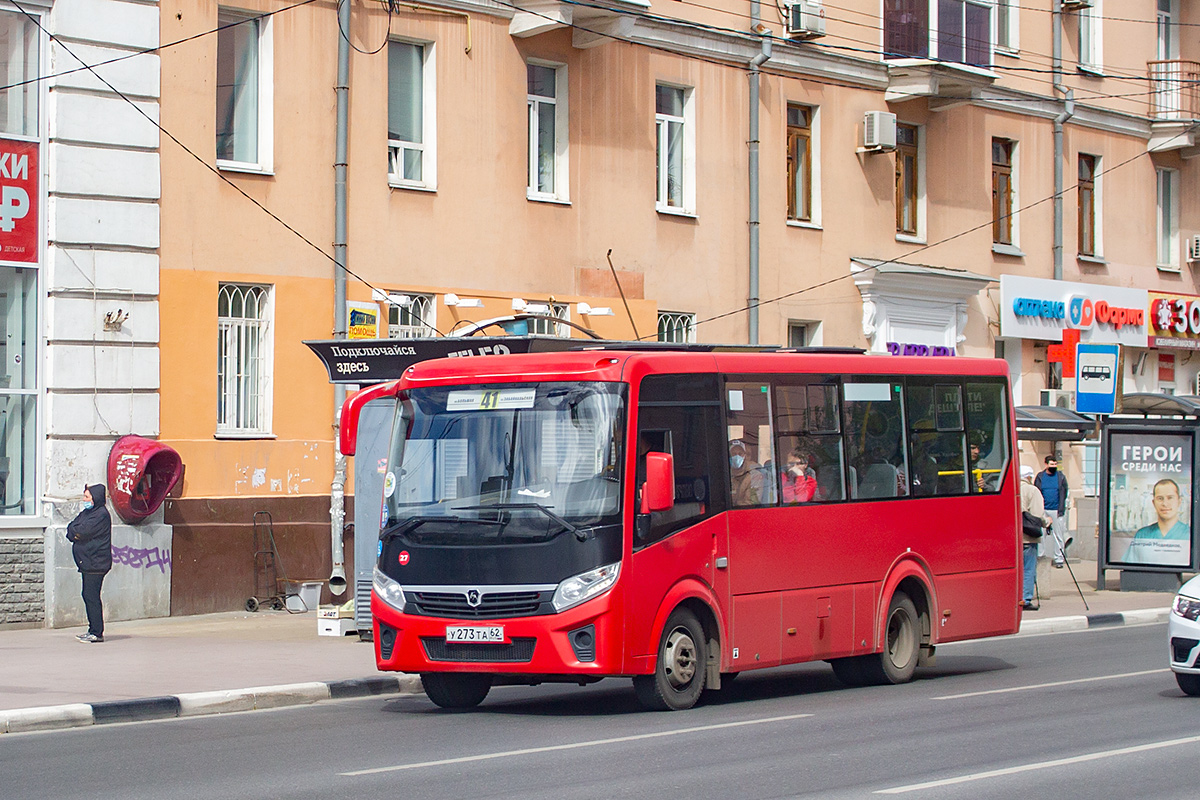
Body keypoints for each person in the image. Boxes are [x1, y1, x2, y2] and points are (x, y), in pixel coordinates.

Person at [67, 484, 112, 643]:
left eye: (87, 497)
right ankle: (93, 629)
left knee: (91, 595)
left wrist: (76, 532)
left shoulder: (100, 515)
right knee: (88, 595)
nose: (84, 500)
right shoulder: (87, 513)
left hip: (96, 563)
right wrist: (74, 532)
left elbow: (82, 531)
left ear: (96, 498)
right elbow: (71, 528)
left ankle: (96, 632)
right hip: (87, 562)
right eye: (84, 496)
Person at [1124, 479, 1190, 564]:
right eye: (1160, 498)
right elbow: (1130, 569)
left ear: (1179, 501)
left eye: (1170, 498)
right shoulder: (1142, 535)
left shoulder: (1190, 535)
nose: (1165, 504)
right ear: (1153, 502)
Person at [1035, 455, 1071, 568]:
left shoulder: (1060, 477)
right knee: (1041, 535)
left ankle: (1059, 558)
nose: (1053, 467)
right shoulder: (1040, 477)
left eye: (1055, 464)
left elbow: (1064, 492)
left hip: (1056, 510)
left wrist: (1061, 508)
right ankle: (1040, 556)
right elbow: (1036, 492)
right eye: (1051, 464)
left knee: (1058, 535)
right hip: (1043, 510)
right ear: (1046, 464)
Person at [1019, 465, 1047, 610]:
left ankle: (1015, 597)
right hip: (1028, 537)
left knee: (1016, 569)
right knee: (1028, 568)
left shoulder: (1011, 488)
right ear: (1029, 477)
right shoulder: (1032, 490)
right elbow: (1037, 515)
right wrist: (1047, 522)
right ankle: (1025, 599)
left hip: (1012, 536)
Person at [729, 440, 763, 506]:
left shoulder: (755, 476)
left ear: (744, 456)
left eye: (740, 454)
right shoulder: (725, 474)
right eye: (733, 454)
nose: (737, 457)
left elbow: (751, 503)